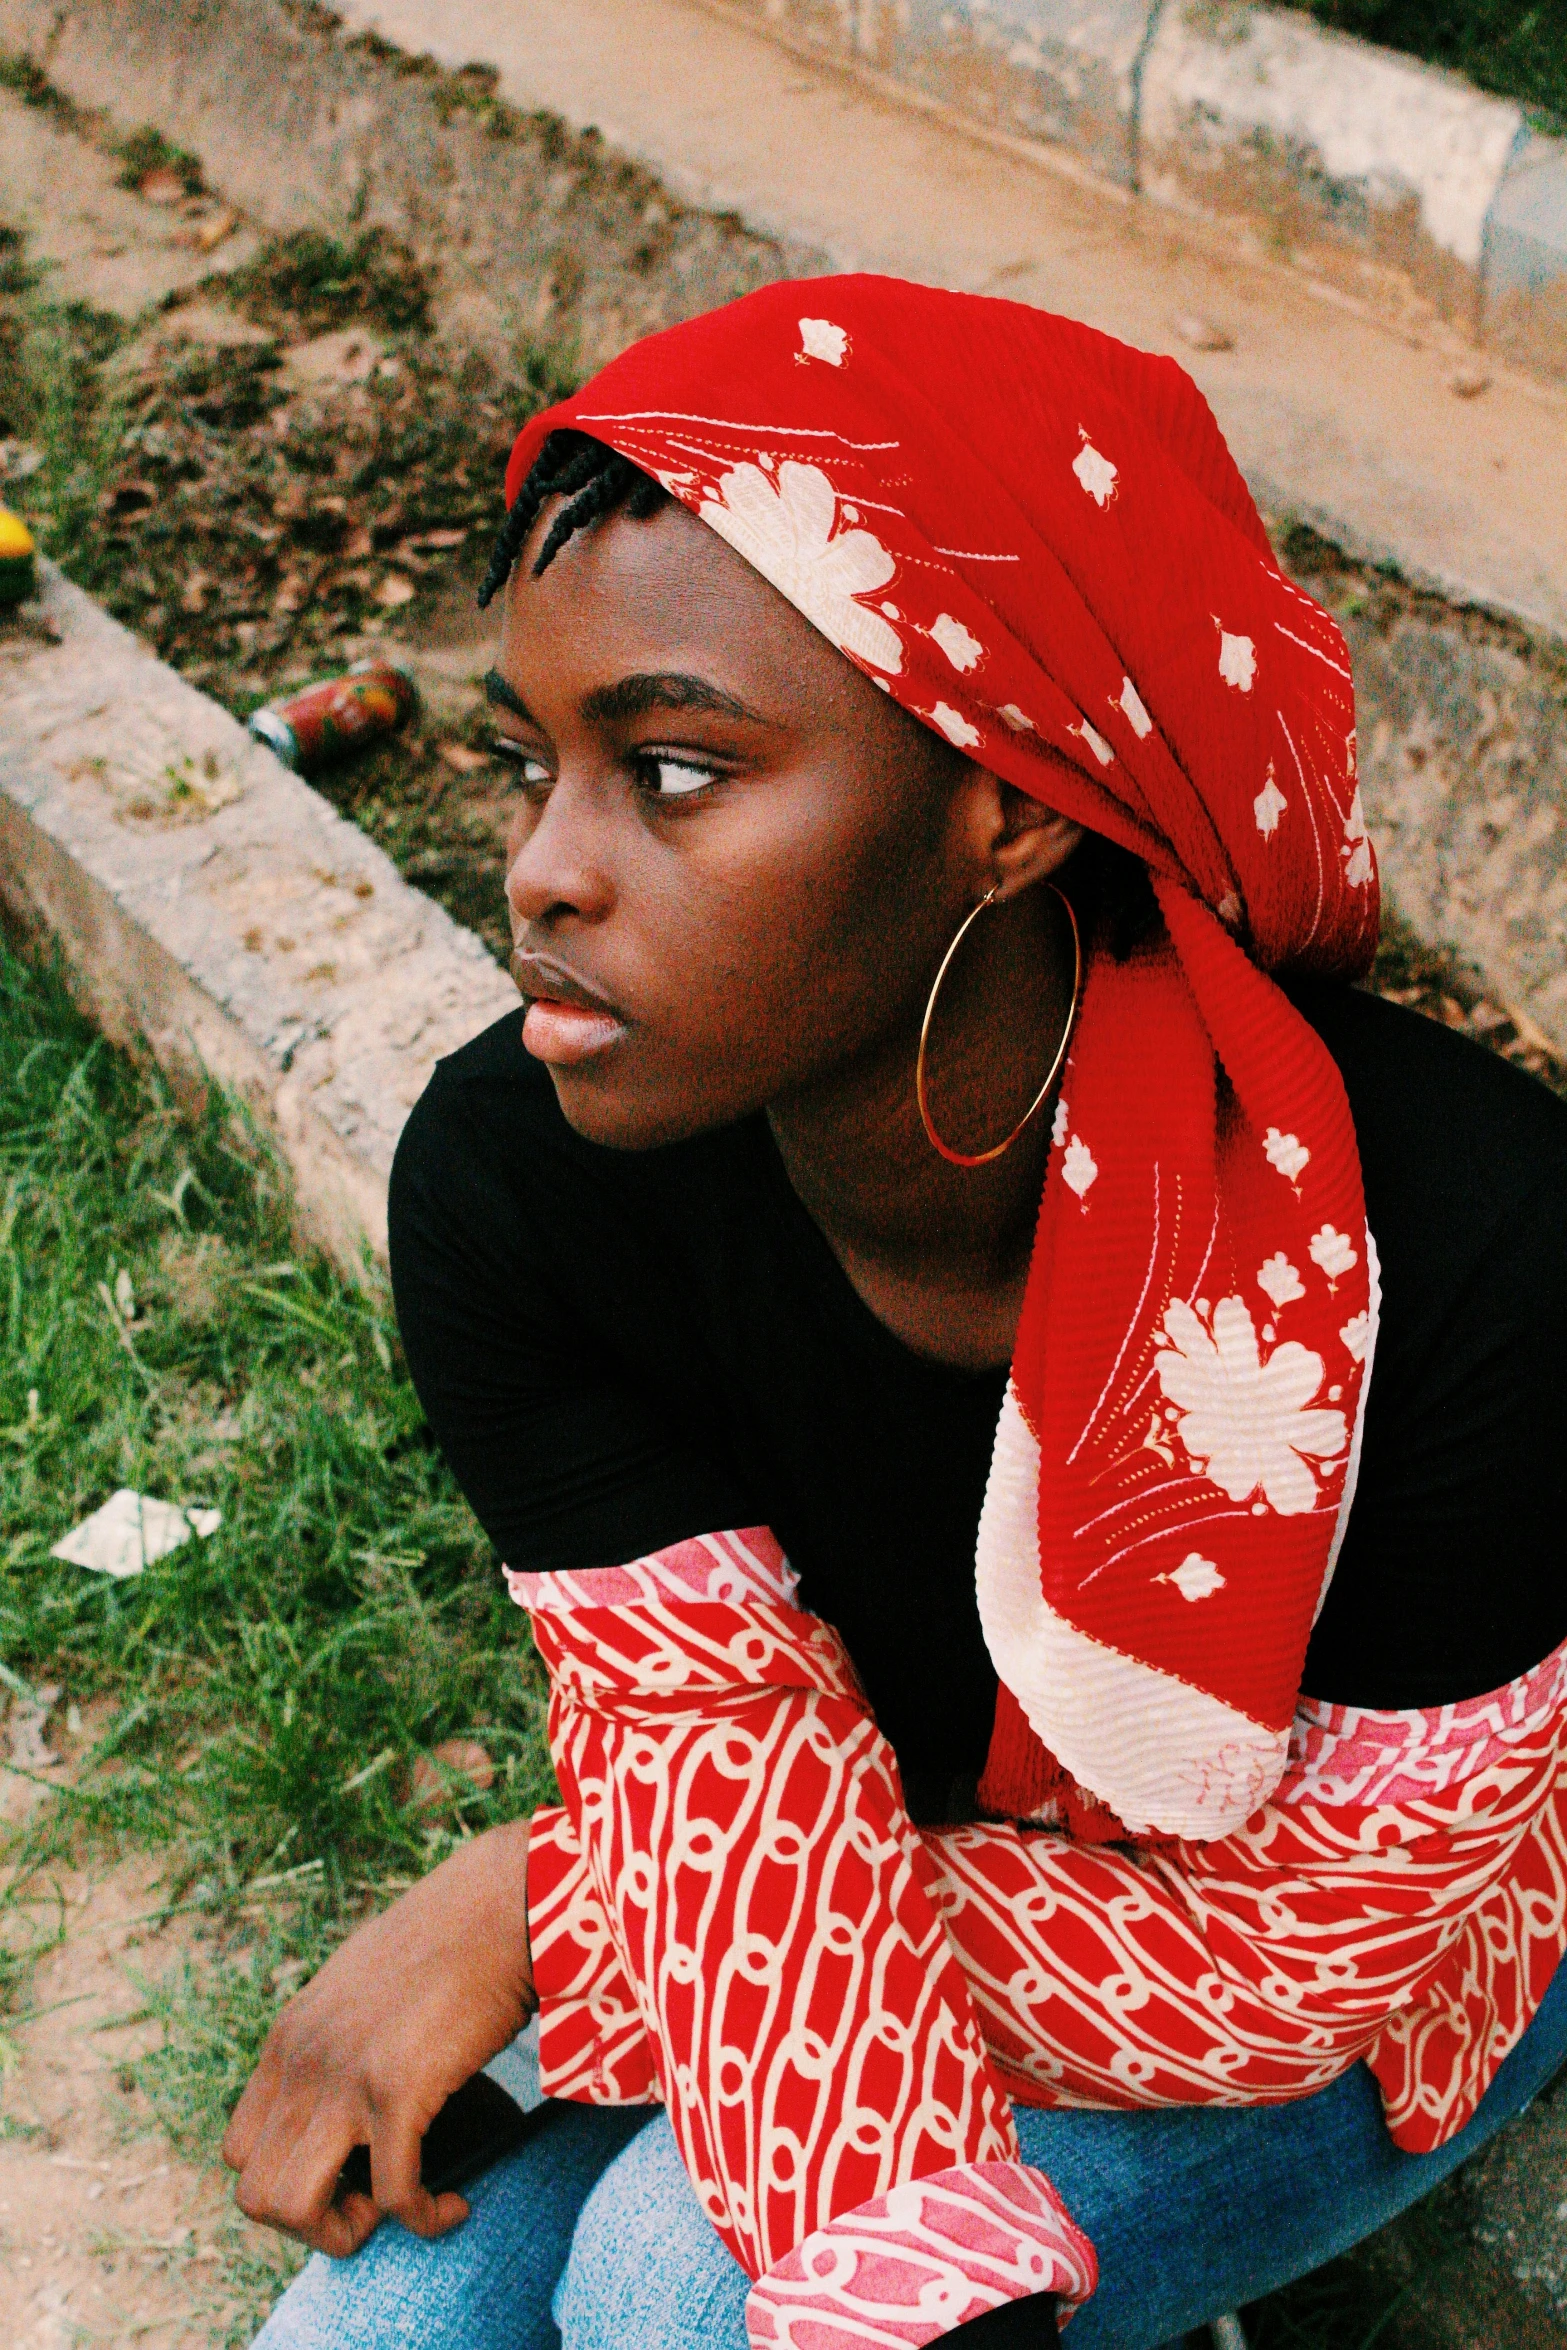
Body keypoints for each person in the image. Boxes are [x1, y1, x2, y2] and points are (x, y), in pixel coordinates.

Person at [229, 277, 1567, 2350]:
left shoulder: (1464, 1244)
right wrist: (678, 1897)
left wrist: (537, 1903)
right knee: (379, 2325)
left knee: (681, 2278)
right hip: (836, 1863)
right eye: (535, 761)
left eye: (673, 769)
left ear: (1013, 803)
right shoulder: (525, 1180)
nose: (544, 871)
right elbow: (709, 1742)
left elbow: (1307, 1947)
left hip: (1330, 1977)